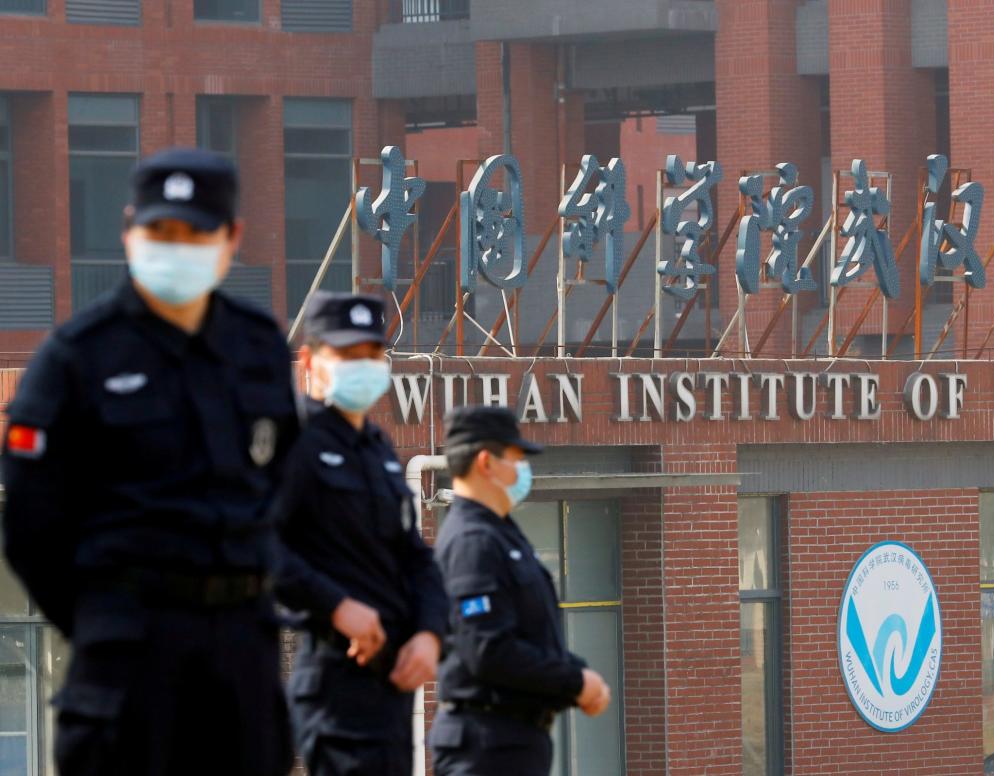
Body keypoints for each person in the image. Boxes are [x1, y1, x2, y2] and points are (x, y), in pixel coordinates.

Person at [0, 147, 297, 776]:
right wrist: (102, 617)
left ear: (232, 237)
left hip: (241, 651)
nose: (176, 247)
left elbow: (282, 484)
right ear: (129, 229)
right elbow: (30, 522)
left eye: (196, 232)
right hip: (128, 654)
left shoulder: (259, 345)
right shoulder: (77, 357)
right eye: (160, 231)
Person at [273, 291, 449, 776]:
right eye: (347, 355)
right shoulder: (294, 442)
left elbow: (414, 555)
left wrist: (431, 633)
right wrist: (335, 605)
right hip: (334, 682)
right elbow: (258, 546)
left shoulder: (377, 447)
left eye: (373, 353)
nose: (364, 365)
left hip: (391, 686)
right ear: (309, 359)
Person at [428, 406, 612, 776]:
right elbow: (487, 649)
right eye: (516, 459)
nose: (523, 470)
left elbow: (532, 633)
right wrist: (575, 682)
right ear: (486, 462)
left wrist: (578, 677)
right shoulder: (472, 541)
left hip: (511, 742)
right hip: (487, 745)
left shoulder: (501, 534)